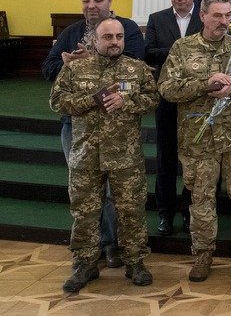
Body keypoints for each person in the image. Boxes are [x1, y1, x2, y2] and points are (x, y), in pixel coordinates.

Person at [158, 0, 231, 282]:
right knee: (201, 199)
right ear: (202, 15)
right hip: (198, 140)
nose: (223, 21)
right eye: (217, 15)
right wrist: (204, 84)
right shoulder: (183, 48)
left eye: (228, 15)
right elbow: (166, 89)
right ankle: (203, 254)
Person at [42, 0, 144, 268]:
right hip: (77, 128)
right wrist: (69, 65)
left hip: (118, 130)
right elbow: (48, 69)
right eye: (86, 0)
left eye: (97, 0)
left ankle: (112, 245)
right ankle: (89, 251)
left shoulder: (128, 30)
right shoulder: (71, 32)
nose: (91, 6)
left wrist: (97, 60)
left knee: (115, 196)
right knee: (84, 192)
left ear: (110, 2)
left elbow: (135, 69)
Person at [50, 18, 158, 292]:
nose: (114, 42)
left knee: (131, 211)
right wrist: (90, 100)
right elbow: (57, 101)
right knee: (84, 212)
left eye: (119, 36)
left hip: (125, 156)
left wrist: (127, 101)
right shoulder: (75, 70)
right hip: (86, 155)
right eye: (108, 37)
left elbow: (153, 99)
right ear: (95, 41)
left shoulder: (136, 70)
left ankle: (135, 262)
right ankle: (85, 263)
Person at [145, 0, 202, 236]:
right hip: (166, 98)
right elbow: (149, 53)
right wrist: (181, 51)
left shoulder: (204, 18)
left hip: (196, 100)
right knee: (165, 160)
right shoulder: (157, 19)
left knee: (194, 159)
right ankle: (165, 214)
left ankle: (190, 213)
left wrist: (175, 52)